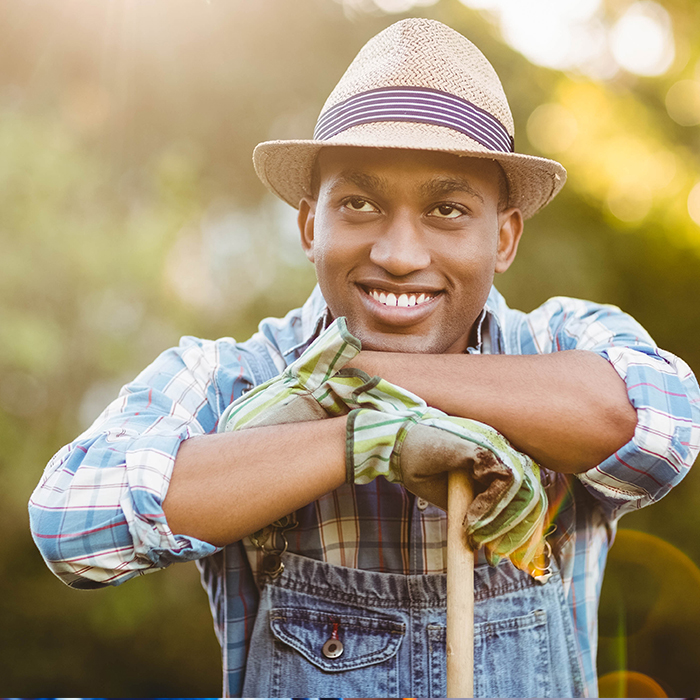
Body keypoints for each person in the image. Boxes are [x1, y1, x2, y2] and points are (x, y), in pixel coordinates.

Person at [29, 17, 699, 699]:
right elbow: (72, 526)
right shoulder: (233, 375)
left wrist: (360, 376)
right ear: (309, 224)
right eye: (359, 202)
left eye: (446, 210)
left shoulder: (560, 345)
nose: (399, 255)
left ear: (503, 237)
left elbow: (661, 429)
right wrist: (365, 440)